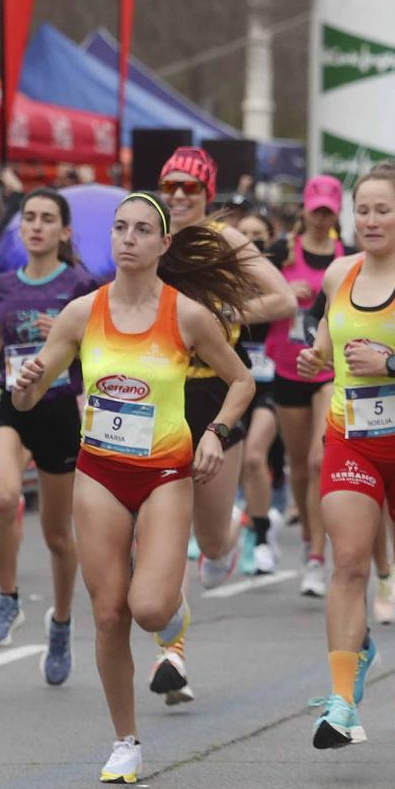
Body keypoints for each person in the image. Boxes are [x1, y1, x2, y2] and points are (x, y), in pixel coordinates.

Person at [9, 192, 257, 782]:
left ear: (163, 244)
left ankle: (173, 615)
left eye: (143, 230)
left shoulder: (187, 315)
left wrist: (216, 433)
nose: (128, 238)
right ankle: (125, 741)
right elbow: (28, 398)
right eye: (120, 228)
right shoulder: (81, 312)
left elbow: (241, 380)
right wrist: (25, 384)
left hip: (166, 472)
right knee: (110, 613)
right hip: (99, 471)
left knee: (148, 608)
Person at [296, 160, 395, 748]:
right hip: (350, 439)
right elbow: (323, 347)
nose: (369, 220)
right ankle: (341, 703)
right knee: (350, 561)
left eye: (381, 209)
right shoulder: (338, 274)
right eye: (360, 210)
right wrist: (315, 360)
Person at [153, 147, 293, 704]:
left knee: (208, 542)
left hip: (217, 390)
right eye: (171, 185)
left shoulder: (225, 240)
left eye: (191, 187)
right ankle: (173, 653)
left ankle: (233, 533)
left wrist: (224, 315)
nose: (180, 196)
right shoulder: (152, 232)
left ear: (207, 193)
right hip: (160, 391)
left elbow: (281, 298)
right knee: (166, 529)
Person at [0, 190, 100, 672]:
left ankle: (61, 623)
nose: (36, 226)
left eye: (47, 220)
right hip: (13, 406)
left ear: (64, 232)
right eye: (29, 219)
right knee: (2, 497)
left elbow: (101, 345)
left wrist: (63, 335)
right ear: (20, 229)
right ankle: (7, 599)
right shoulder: (0, 284)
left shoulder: (82, 283)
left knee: (58, 535)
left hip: (60, 411)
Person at [268, 174, 345, 597]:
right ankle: (305, 541)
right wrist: (282, 289)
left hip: (327, 369)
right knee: (298, 467)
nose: (319, 218)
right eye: (314, 210)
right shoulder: (282, 252)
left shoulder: (345, 256)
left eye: (327, 212)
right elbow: (251, 286)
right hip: (287, 365)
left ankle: (318, 556)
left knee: (319, 461)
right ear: (304, 210)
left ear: (335, 214)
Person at [230, 207, 286, 574]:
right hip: (234, 380)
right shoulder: (223, 279)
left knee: (254, 458)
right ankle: (243, 527)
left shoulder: (279, 279)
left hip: (272, 382)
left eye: (258, 235)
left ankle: (263, 536)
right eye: (243, 233)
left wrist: (233, 311)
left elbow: (289, 302)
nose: (250, 240)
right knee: (232, 465)